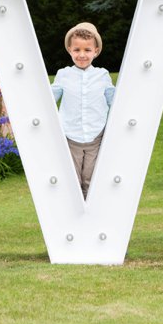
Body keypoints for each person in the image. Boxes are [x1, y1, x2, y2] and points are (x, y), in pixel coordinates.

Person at [51, 22, 115, 199]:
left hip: (96, 136)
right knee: (72, 180)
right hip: (71, 137)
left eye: (87, 50)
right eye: (77, 50)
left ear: (96, 51)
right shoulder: (63, 74)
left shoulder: (102, 75)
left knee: (91, 179)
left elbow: (114, 100)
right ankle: (73, 217)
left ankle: (90, 216)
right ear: (70, 50)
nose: (82, 55)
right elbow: (49, 98)